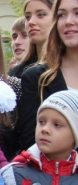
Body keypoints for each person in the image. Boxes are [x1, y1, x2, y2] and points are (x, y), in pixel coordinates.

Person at [14, 0, 74, 158]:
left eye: (77, 13)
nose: (68, 21)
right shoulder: (37, 78)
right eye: (62, 15)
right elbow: (30, 144)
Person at [9, 0, 53, 79]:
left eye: (41, 15)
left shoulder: (69, 65)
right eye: (27, 17)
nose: (31, 22)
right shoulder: (16, 75)